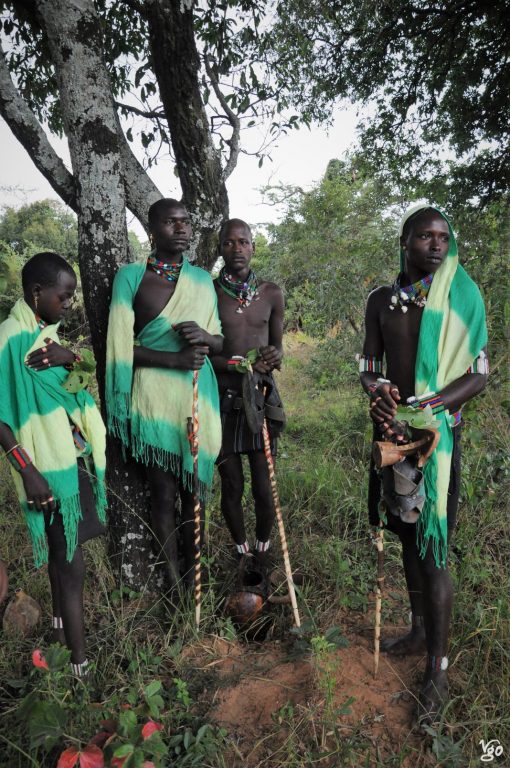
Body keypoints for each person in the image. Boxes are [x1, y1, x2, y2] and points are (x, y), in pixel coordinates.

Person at [360, 204, 488, 724]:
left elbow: (477, 375)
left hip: (436, 441)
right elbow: (369, 366)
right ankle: (417, 630)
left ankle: (437, 667)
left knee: (434, 546)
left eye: (443, 237)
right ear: (405, 241)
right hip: (393, 435)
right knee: (407, 534)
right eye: (424, 236)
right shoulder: (380, 301)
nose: (436, 245)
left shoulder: (462, 294)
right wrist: (380, 391)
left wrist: (427, 409)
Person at [106, 199, 223, 595]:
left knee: (196, 494)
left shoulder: (203, 281)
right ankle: (173, 587)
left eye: (185, 221)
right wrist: (174, 358)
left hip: (197, 398)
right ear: (152, 229)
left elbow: (219, 339)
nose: (182, 228)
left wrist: (206, 338)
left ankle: (197, 583)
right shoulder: (131, 277)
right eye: (171, 222)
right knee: (163, 494)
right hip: (154, 401)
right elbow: (119, 346)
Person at [0, 252, 107, 676]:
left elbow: (75, 383)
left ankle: (61, 640)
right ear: (37, 292)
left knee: (66, 556)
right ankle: (80, 670)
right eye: (64, 297)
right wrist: (27, 470)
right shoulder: (10, 337)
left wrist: (70, 357)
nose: (68, 304)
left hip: (70, 458)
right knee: (71, 564)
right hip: (43, 469)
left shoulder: (47, 336)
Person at [211, 219, 285, 571]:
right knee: (232, 482)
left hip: (259, 397)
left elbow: (278, 349)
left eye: (243, 242)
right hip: (222, 400)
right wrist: (231, 363)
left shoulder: (271, 293)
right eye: (229, 243)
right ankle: (241, 552)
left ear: (254, 247)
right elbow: (206, 353)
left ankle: (263, 548)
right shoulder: (210, 293)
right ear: (221, 248)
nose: (237, 249)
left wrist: (272, 357)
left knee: (263, 485)